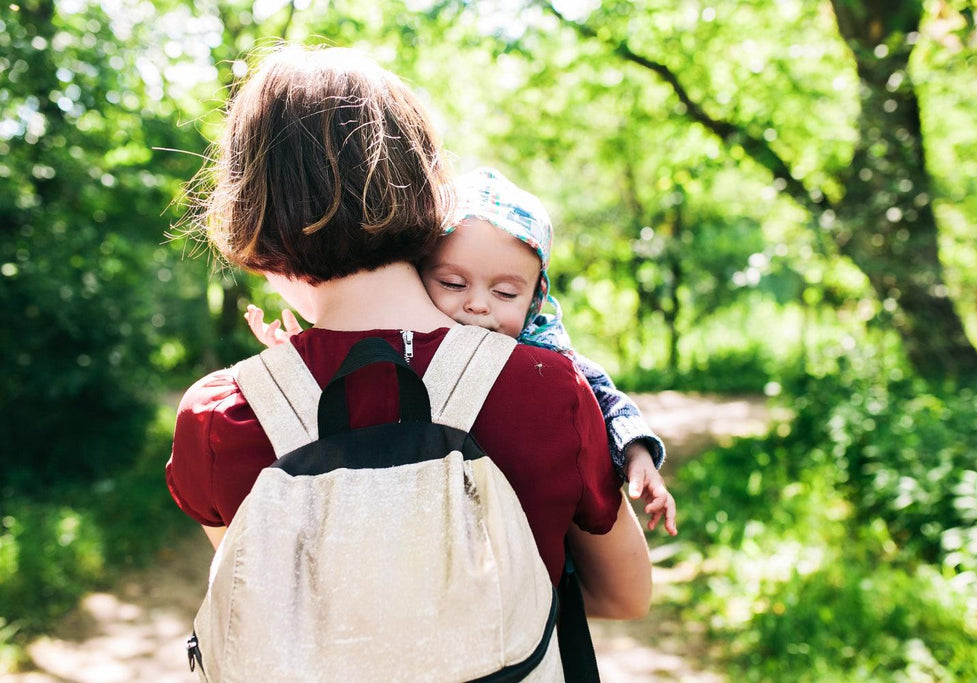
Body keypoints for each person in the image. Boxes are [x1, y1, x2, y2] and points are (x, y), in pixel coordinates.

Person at [166, 44, 651, 620]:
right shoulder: (548, 389)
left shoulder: (221, 419)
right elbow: (623, 597)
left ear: (254, 213)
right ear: (424, 188)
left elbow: (267, 607)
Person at [247, 167, 678, 535]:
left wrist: (637, 452)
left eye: (506, 292)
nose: (477, 304)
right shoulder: (407, 342)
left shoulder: (548, 358)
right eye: (452, 284)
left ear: (535, 299)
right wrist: (297, 356)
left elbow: (606, 397)